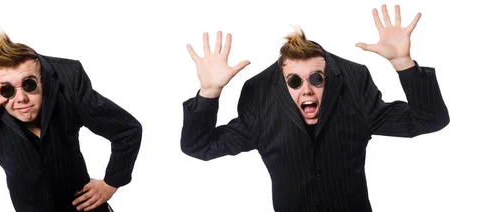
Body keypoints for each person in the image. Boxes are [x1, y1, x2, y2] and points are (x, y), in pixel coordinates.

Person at [181, 4, 449, 212]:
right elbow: (199, 147)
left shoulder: (354, 93)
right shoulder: (263, 103)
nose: (307, 90)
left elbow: (430, 119)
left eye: (317, 79)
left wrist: (403, 63)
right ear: (282, 85)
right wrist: (209, 93)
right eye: (294, 81)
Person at [0, 32, 143, 212]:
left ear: (43, 79)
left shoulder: (68, 84)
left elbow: (126, 130)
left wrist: (111, 183)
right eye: (6, 90)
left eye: (29, 84)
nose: (21, 98)